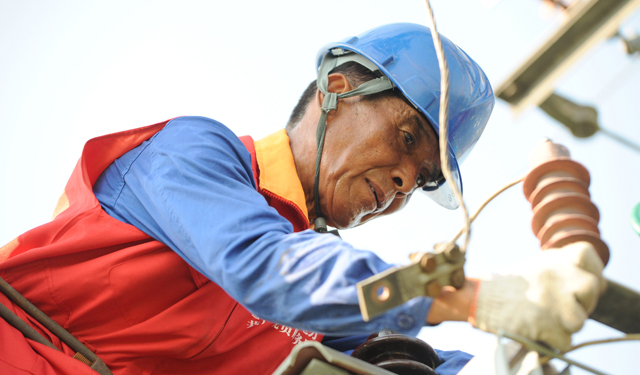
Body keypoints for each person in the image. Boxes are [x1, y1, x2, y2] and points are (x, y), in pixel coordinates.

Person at [0, 23, 603, 375]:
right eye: (407, 136)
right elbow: (267, 269)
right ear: (338, 89)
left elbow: (403, 352)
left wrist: (538, 332)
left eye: (420, 180)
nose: (401, 184)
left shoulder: (322, 316)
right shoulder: (194, 155)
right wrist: (476, 297)